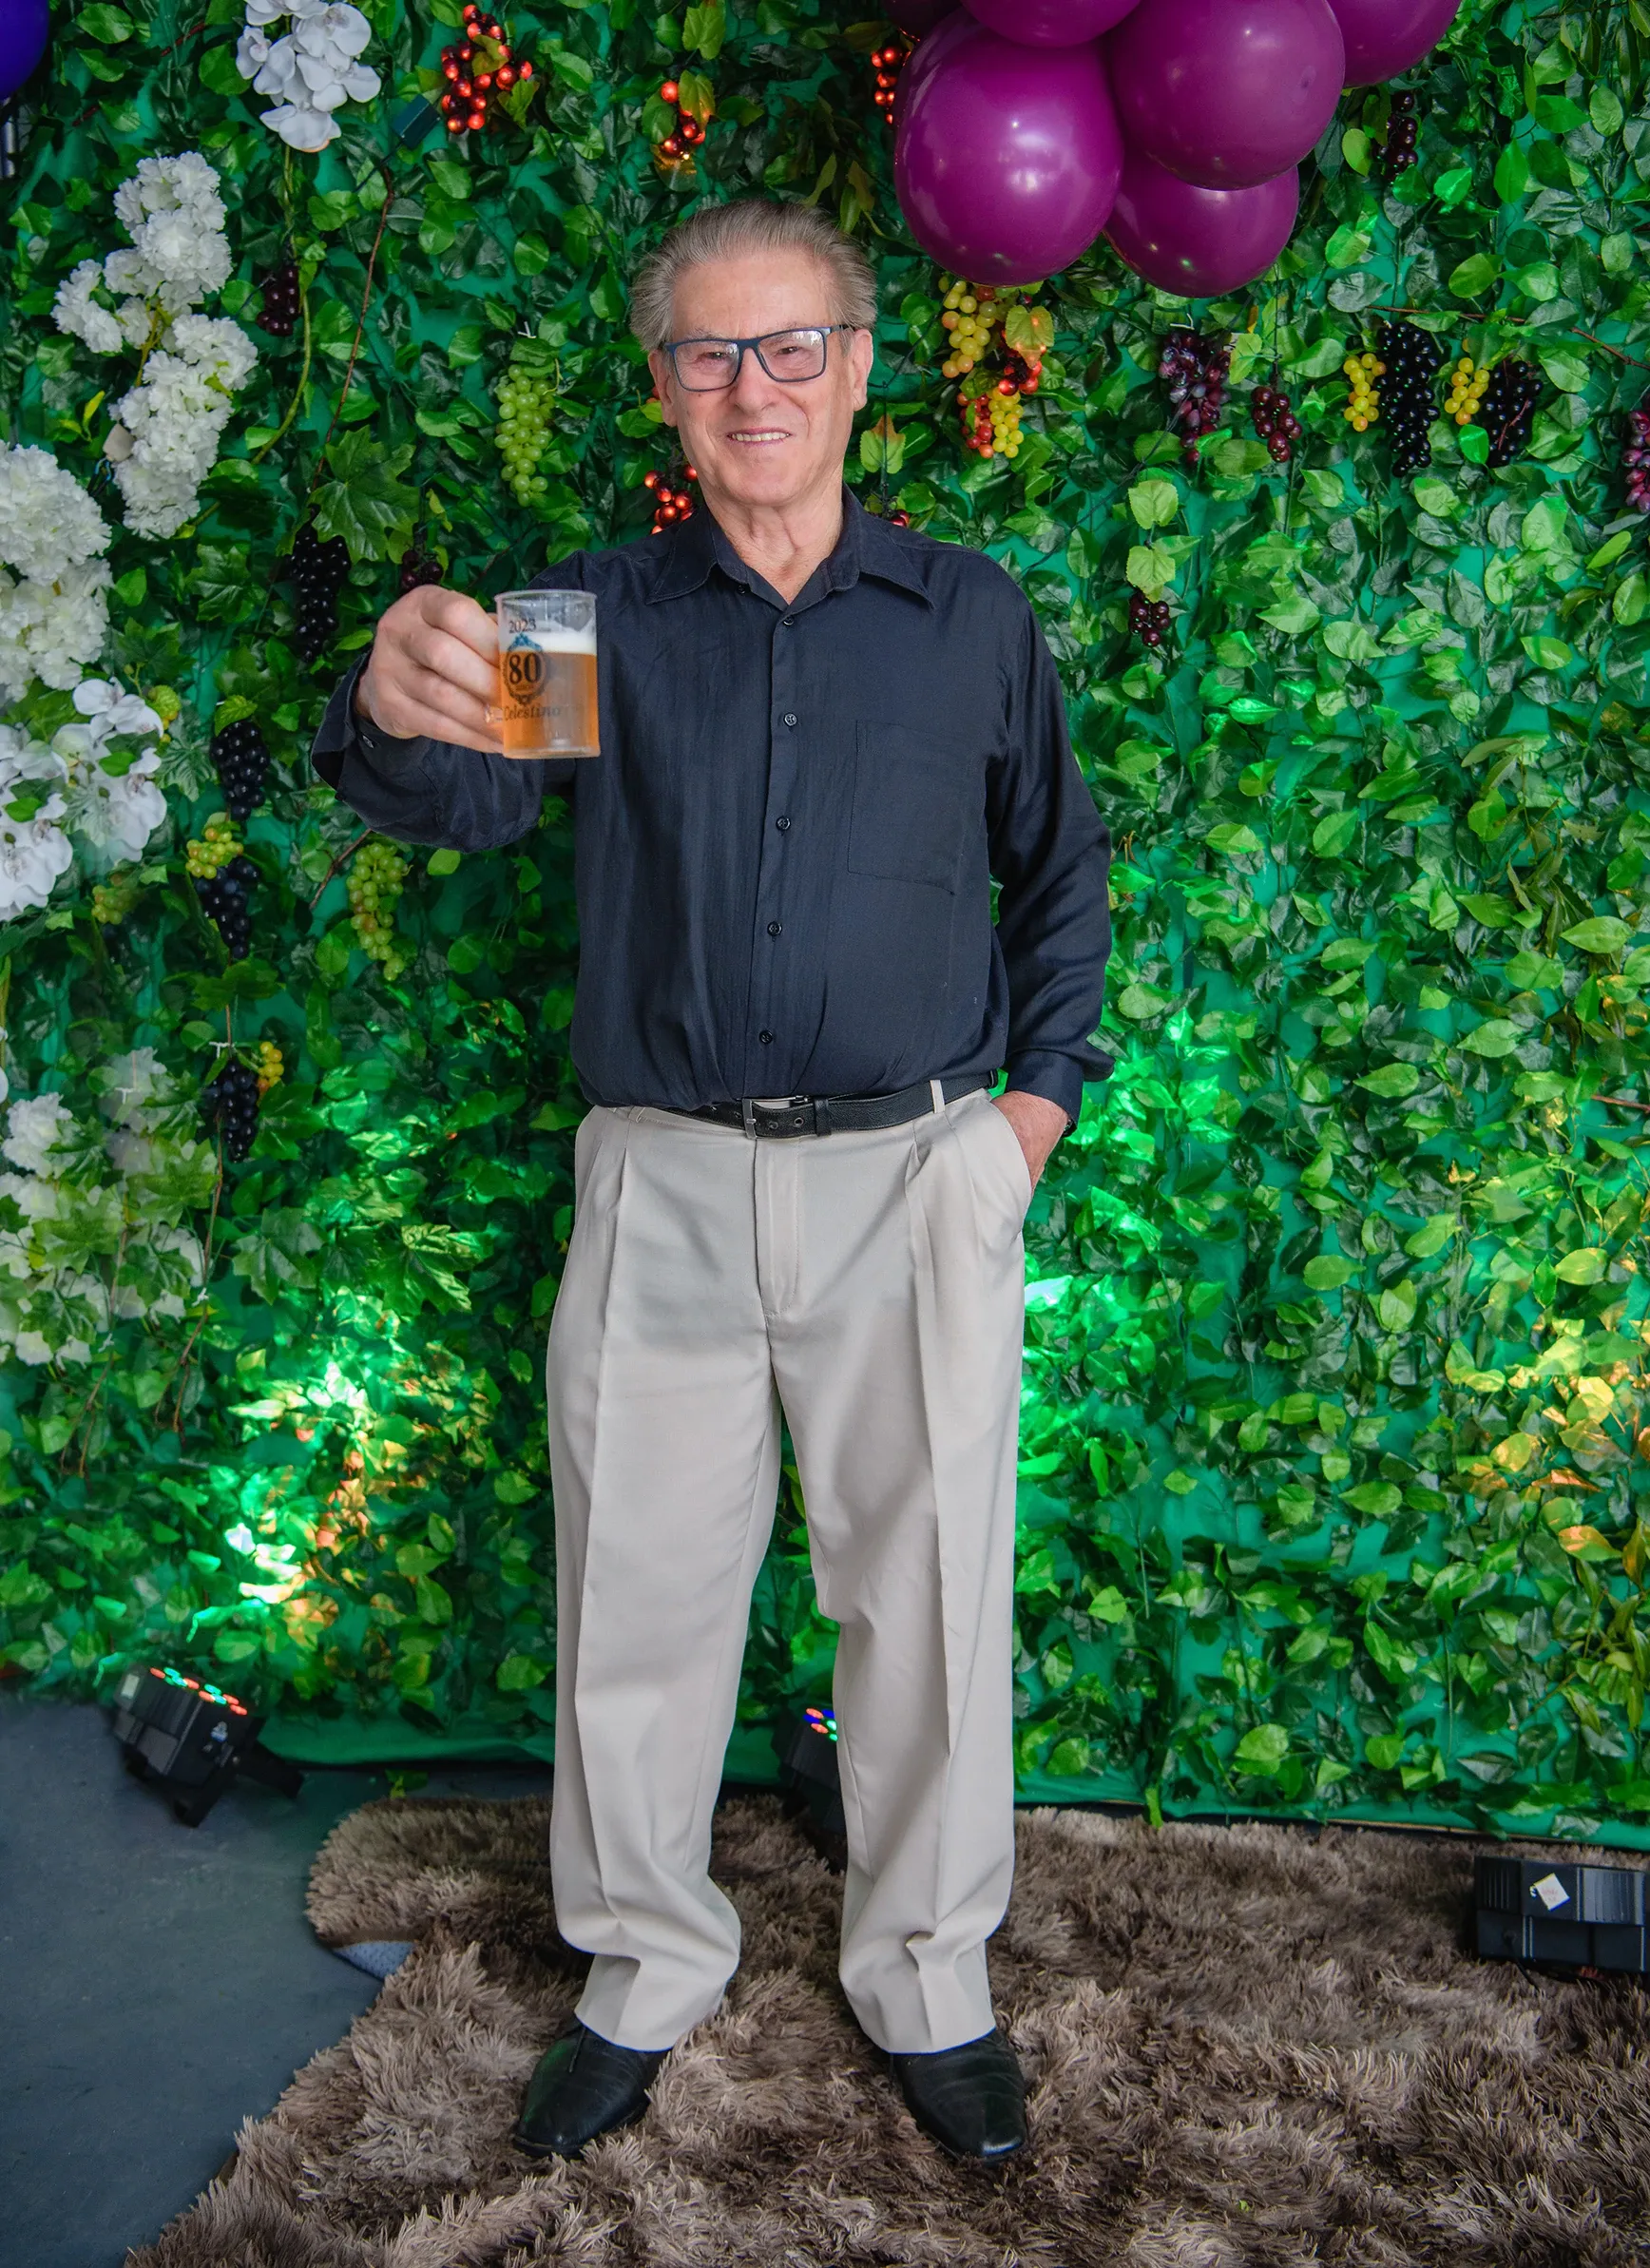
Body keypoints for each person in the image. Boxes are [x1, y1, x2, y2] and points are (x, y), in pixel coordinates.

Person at [310, 198, 1112, 2166]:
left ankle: (928, 1968)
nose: (751, 390)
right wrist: (390, 700)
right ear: (664, 387)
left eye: (790, 349)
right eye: (707, 354)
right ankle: (642, 1961)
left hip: (916, 1178)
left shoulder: (969, 617)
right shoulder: (586, 617)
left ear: (855, 363)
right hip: (660, 1181)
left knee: (924, 1603)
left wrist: (1024, 1127)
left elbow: (1061, 877)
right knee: (638, 1603)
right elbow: (460, 797)